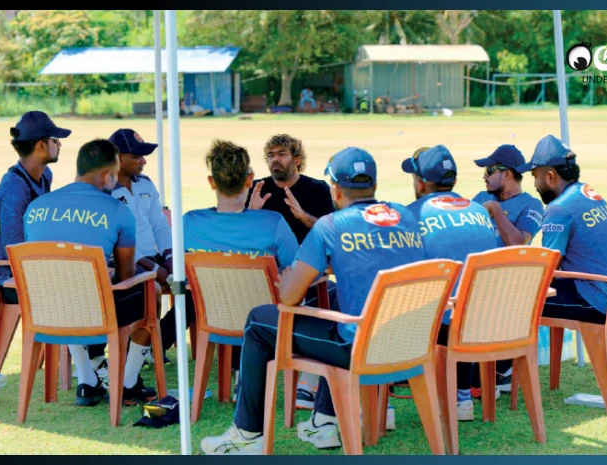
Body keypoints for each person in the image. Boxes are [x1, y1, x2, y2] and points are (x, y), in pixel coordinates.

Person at [200, 147, 425, 454]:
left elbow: (289, 298)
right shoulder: (407, 217)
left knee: (258, 320)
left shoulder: (330, 226)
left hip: (358, 347)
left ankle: (247, 434)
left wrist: (291, 276)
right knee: (331, 300)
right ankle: (325, 419)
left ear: (335, 188)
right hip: (409, 339)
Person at [23, 139, 157, 407]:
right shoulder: (118, 210)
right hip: (95, 311)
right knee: (152, 292)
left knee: (67, 286)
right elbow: (126, 276)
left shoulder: (35, 208)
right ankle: (128, 382)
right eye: (116, 176)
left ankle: (87, 380)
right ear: (107, 175)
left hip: (44, 309)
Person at [181, 139, 300, 390]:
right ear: (250, 180)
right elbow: (295, 270)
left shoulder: (189, 223)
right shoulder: (272, 222)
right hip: (265, 322)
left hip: (213, 317)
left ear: (212, 182)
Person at [401, 144, 500, 421]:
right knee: (465, 300)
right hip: (484, 322)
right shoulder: (480, 211)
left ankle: (381, 409)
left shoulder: (410, 215)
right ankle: (462, 397)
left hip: (437, 325)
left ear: (420, 183)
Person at [245, 134, 336, 409]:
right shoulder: (258, 189)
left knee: (328, 297)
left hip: (308, 272)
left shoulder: (318, 189)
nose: (275, 159)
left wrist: (302, 217)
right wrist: (251, 214)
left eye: (281, 154)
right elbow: (245, 238)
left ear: (297, 159)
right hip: (266, 274)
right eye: (270, 154)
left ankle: (307, 382)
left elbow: (332, 234)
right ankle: (246, 372)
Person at [520, 135, 607, 327]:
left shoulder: (558, 209)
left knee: (514, 302)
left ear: (551, 177)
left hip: (596, 300)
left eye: (535, 176)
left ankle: (509, 357)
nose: (535, 185)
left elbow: (548, 269)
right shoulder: (587, 192)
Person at [470, 144, 545, 392]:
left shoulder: (531, 205)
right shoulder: (481, 199)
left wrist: (497, 213)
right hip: (475, 280)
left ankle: (499, 368)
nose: (484, 176)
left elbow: (517, 242)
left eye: (490, 170)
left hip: (508, 287)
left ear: (507, 173)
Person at [107, 128, 178, 370]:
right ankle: (141, 348)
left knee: (196, 285)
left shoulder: (145, 184)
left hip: (154, 257)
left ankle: (156, 342)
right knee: (153, 288)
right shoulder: (103, 191)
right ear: (117, 158)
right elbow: (115, 241)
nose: (144, 160)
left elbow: (160, 224)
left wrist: (170, 258)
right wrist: (153, 268)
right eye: (137, 156)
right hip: (123, 263)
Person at [0, 111, 69, 305]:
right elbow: (15, 250)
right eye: (55, 139)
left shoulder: (45, 175)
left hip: (39, 268)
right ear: (41, 145)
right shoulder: (14, 188)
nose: (59, 144)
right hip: (14, 280)